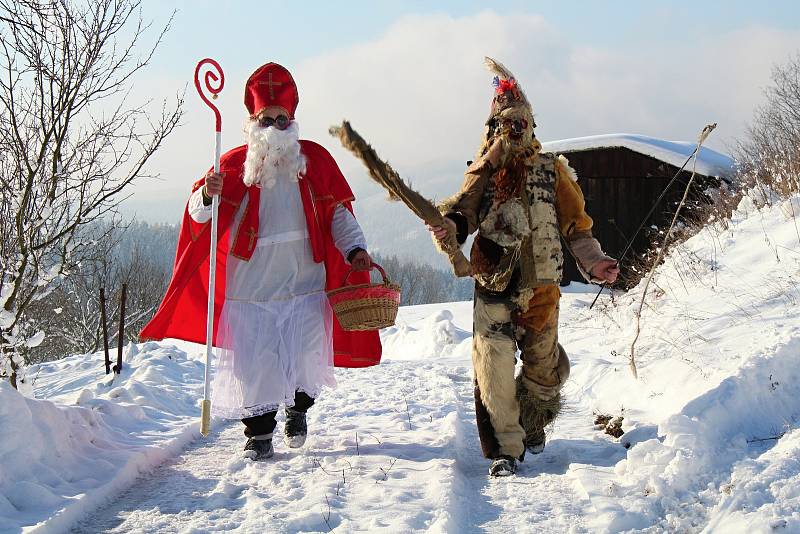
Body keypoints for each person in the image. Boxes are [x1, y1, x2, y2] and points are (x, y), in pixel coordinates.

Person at [141, 62, 381, 460]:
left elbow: (340, 215)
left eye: (281, 119)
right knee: (257, 365)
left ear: (293, 120)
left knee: (305, 358)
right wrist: (206, 194)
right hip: (251, 290)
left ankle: (298, 411)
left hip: (305, 283)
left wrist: (354, 251)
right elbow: (198, 217)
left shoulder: (315, 162)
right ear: (253, 122)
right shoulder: (233, 165)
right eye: (265, 119)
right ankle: (259, 434)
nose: (274, 126)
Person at [429, 58, 619, 477]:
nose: (515, 131)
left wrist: (596, 262)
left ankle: (530, 425)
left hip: (542, 291)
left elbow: (576, 228)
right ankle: (505, 449)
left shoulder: (553, 172)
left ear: (532, 125)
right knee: (493, 366)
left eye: (522, 122)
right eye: (507, 124)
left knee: (543, 373)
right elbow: (464, 216)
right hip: (493, 285)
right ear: (494, 129)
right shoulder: (482, 173)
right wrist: (449, 228)